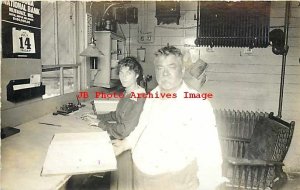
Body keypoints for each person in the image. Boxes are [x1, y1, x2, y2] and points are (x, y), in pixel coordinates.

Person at [113, 46, 226, 190]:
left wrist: (209, 185)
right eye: (160, 68)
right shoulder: (153, 95)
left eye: (171, 67)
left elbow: (210, 155)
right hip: (141, 178)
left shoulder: (198, 103)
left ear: (182, 70)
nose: (165, 73)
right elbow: (142, 127)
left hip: (174, 181)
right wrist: (125, 144)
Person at [86, 56, 146, 140]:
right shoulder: (128, 93)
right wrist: (98, 117)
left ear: (137, 75)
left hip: (130, 143)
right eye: (121, 73)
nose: (124, 77)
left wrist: (100, 123)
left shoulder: (139, 98)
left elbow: (124, 131)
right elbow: (118, 114)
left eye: (128, 73)